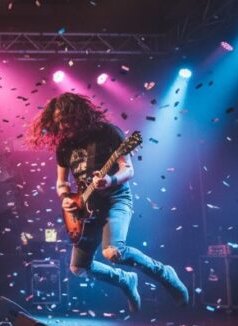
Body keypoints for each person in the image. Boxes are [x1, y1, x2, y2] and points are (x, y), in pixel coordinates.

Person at [27, 92, 189, 312]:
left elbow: (128, 170)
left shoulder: (108, 133)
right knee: (78, 268)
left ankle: (165, 273)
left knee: (113, 252)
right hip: (86, 210)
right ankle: (125, 279)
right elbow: (61, 182)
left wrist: (110, 180)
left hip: (115, 199)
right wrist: (66, 198)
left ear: (78, 114)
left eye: (67, 119)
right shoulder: (64, 146)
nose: (63, 125)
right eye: (59, 122)